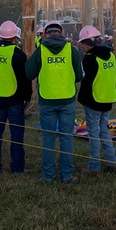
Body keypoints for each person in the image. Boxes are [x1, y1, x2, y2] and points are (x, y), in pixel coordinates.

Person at [26, 20, 83, 184]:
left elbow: (29, 73)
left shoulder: (40, 51)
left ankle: (48, 176)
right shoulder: (71, 50)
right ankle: (67, 175)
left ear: (45, 34)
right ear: (62, 32)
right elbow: (79, 76)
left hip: (47, 100)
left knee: (48, 138)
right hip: (67, 99)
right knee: (66, 138)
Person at [0, 21, 31, 176]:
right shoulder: (18, 54)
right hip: (14, 99)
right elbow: (24, 79)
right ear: (14, 37)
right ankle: (17, 167)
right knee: (16, 134)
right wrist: (27, 97)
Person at [77, 26, 116, 174]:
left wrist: (82, 99)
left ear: (87, 43)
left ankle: (94, 165)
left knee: (93, 133)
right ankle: (111, 161)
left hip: (94, 100)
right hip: (108, 99)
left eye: (82, 43)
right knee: (104, 131)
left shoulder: (90, 58)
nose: (81, 47)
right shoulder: (111, 55)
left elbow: (87, 82)